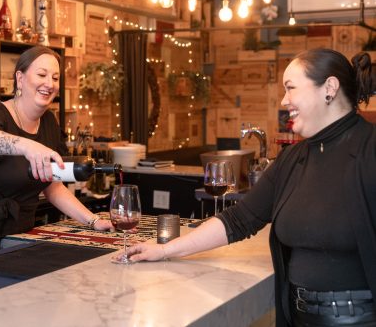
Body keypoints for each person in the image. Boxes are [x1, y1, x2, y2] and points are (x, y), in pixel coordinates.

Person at [122, 49, 376, 327]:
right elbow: (239, 219)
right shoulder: (293, 159)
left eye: (291, 88)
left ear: (329, 88)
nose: (284, 100)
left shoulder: (369, 150)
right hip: (297, 316)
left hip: (359, 319)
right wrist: (166, 249)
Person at [0, 46, 113, 266]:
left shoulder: (49, 123)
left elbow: (53, 187)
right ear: (20, 78)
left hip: (16, 236)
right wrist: (27, 146)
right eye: (41, 74)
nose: (49, 83)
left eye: (55, 78)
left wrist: (93, 221)